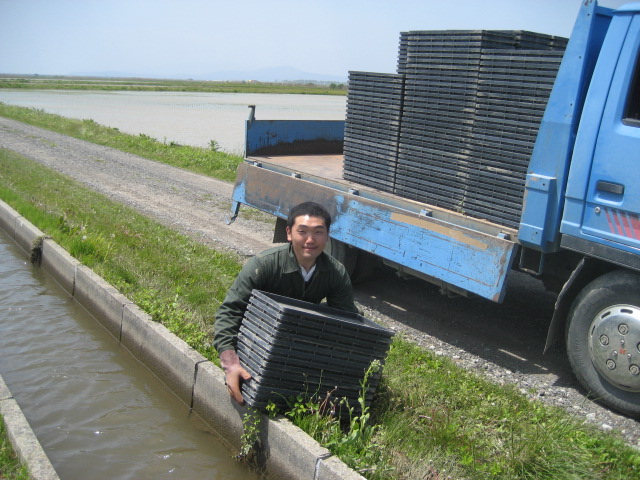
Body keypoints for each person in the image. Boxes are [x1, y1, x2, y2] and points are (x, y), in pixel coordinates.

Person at [213, 201, 358, 404]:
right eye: (302, 231)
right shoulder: (263, 265)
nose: (310, 240)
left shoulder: (336, 272)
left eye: (318, 232)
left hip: (298, 341)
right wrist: (230, 362)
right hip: (257, 338)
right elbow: (230, 311)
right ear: (289, 233)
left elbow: (347, 319)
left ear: (327, 236)